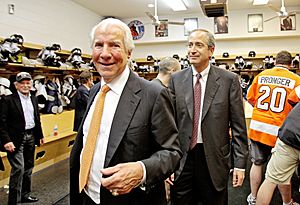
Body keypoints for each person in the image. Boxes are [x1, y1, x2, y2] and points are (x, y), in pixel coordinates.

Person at [69, 18, 182, 205]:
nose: (104, 54)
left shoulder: (153, 94)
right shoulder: (95, 91)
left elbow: (172, 152)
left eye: (114, 45)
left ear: (129, 53)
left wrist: (142, 170)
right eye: (99, 45)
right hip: (86, 195)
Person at [169, 28, 248, 205]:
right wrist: (168, 162)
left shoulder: (229, 80)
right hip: (183, 159)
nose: (192, 50)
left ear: (211, 50)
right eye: (190, 45)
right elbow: (170, 124)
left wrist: (240, 164)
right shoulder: (176, 80)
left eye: (199, 45)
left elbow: (238, 126)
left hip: (214, 159)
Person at [246, 50, 300, 205]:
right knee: (282, 171)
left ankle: (253, 197)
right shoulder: (296, 79)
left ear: (275, 62)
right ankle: (286, 201)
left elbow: (250, 98)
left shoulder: (261, 75)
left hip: (258, 127)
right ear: (290, 64)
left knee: (257, 164)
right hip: (280, 130)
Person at [0, 72, 45, 205]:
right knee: (18, 168)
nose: (25, 85)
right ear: (16, 85)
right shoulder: (8, 100)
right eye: (22, 83)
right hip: (14, 139)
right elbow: (1, 123)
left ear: (31, 84)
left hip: (31, 136)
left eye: (28, 83)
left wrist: (40, 135)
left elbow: (37, 119)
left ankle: (25, 195)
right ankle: (14, 201)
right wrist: (6, 140)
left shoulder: (33, 99)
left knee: (29, 167)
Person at [256, 85, 300, 205]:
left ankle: (287, 203)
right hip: (290, 133)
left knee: (272, 179)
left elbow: (293, 98)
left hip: (290, 132)